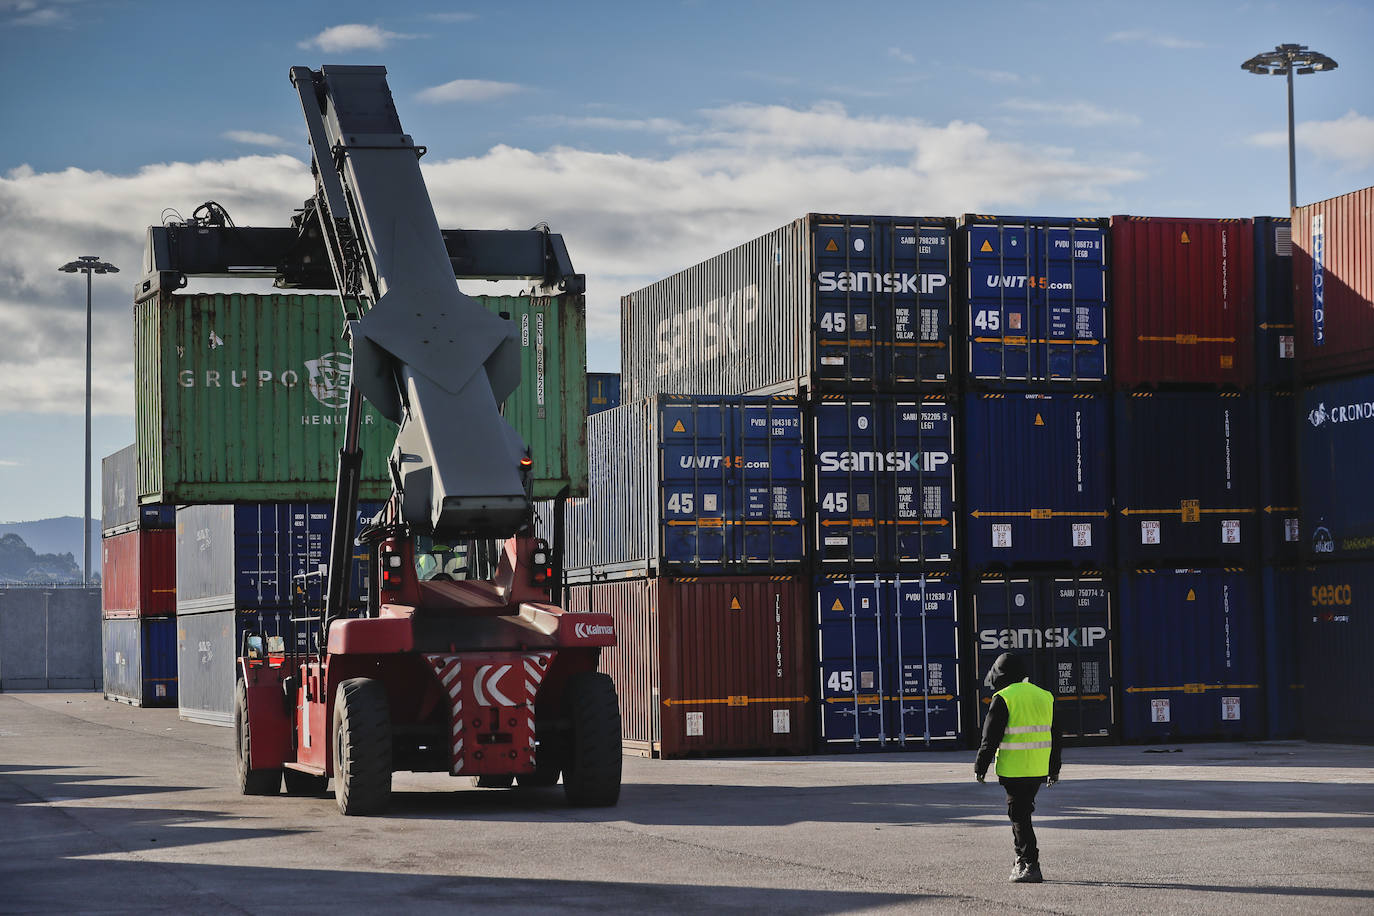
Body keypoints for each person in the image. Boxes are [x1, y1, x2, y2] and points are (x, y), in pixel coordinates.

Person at [974, 651, 1061, 884]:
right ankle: (1021, 860)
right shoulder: (1045, 696)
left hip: (1014, 769)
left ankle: (1030, 863)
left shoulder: (1003, 697)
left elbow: (990, 737)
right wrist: (1054, 768)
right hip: (1038, 768)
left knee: (1019, 815)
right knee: (1020, 813)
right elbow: (1056, 736)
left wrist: (980, 766)